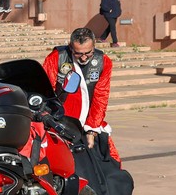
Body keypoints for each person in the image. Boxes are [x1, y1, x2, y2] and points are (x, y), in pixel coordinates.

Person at [43, 27, 121, 163]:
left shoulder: (103, 61)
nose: (84, 57)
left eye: (88, 53)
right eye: (78, 53)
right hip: (61, 122)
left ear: (94, 47)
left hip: (88, 121)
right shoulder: (56, 58)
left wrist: (92, 129)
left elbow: (101, 96)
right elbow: (45, 92)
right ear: (70, 47)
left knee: (107, 162)